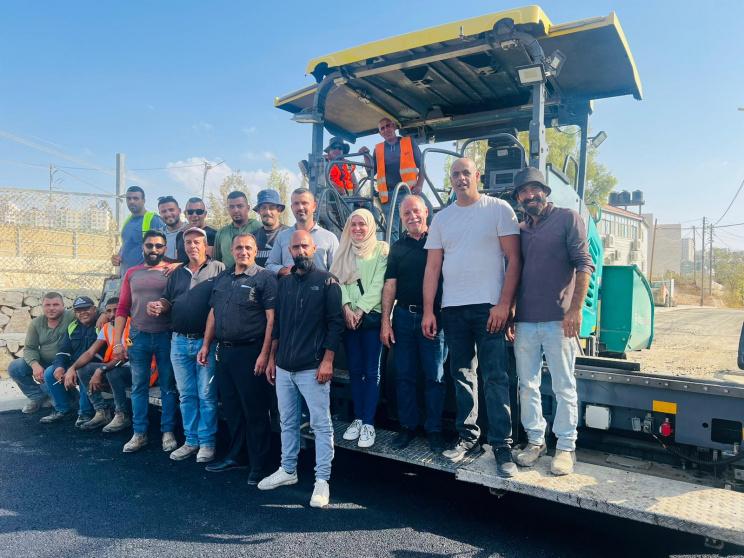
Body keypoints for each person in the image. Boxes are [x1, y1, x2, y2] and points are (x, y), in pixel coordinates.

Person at [422, 158, 521, 478]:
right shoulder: (442, 218)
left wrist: (504, 304)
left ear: (477, 175)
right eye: (455, 174)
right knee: (462, 374)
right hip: (453, 308)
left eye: (466, 173)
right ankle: (468, 438)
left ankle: (502, 445)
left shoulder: (498, 209)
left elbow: (514, 259)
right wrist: (429, 310)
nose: (461, 178)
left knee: (495, 376)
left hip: (489, 308)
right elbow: (432, 268)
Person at [511, 168, 594, 476]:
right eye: (523, 191)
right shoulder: (520, 229)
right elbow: (516, 273)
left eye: (535, 189)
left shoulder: (568, 218)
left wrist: (575, 310)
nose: (530, 195)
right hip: (525, 322)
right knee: (527, 386)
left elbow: (584, 264)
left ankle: (566, 447)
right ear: (518, 198)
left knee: (563, 385)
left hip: (560, 321)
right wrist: (512, 313)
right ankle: (536, 441)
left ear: (545, 192)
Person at [258, 230, 344, 509]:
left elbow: (335, 324)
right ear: (289, 251)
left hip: (312, 367)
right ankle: (288, 470)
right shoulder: (284, 283)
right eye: (295, 247)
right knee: (287, 421)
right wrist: (272, 358)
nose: (300, 251)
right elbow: (278, 325)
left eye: (305, 246)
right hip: (284, 366)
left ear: (314, 248)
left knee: (321, 425)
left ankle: (322, 480)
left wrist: (328, 361)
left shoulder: (328, 281)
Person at [197, 233, 277, 482]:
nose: (243, 251)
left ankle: (259, 464)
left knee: (255, 410)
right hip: (224, 352)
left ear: (256, 251)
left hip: (251, 352)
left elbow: (272, 320)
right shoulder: (223, 277)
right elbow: (213, 313)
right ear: (231, 250)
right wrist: (206, 344)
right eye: (239, 247)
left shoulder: (265, 278)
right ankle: (237, 456)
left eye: (248, 248)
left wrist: (265, 354)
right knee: (232, 408)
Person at [380, 195, 447, 452]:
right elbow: (390, 285)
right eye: (406, 213)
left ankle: (434, 430)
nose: (412, 217)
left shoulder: (440, 242)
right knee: (404, 375)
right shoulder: (397, 248)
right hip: (404, 318)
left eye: (416, 211)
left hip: (435, 319)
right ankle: (407, 426)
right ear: (401, 218)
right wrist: (386, 322)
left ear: (426, 212)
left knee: (435, 377)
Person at [153, 227, 225, 463]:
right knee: (186, 395)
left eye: (197, 242)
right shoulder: (177, 273)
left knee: (206, 395)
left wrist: (208, 342)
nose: (192, 246)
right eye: (188, 242)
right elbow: (167, 299)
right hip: (179, 341)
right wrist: (160, 305)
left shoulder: (218, 269)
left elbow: (218, 306)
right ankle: (191, 441)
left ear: (205, 246)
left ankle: (207, 442)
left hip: (206, 342)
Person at [113, 230, 178, 453]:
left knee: (168, 387)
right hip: (138, 336)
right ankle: (139, 433)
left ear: (165, 248)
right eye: (149, 245)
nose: (154, 250)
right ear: (143, 247)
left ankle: (168, 431)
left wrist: (178, 265)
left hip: (165, 336)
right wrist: (118, 341)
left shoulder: (172, 271)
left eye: (158, 246)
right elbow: (122, 308)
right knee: (139, 386)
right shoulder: (132, 273)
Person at [330, 209, 388, 448]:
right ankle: (357, 417)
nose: (357, 229)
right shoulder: (344, 250)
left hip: (370, 317)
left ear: (370, 226)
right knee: (354, 370)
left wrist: (360, 309)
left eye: (362, 224)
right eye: (353, 224)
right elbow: (338, 281)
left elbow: (378, 284)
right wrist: (345, 307)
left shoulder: (381, 249)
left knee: (372, 371)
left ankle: (368, 422)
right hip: (349, 319)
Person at [73, 297, 134, 432]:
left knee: (113, 372)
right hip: (116, 367)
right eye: (109, 311)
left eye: (116, 310)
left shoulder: (132, 325)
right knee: (83, 369)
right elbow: (90, 353)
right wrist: (72, 368)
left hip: (136, 371)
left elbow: (124, 358)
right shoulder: (107, 327)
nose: (112, 314)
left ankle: (122, 414)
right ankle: (101, 411)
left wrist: (100, 370)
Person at [8, 292, 75, 414]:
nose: (51, 308)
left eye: (56, 304)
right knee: (16, 367)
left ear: (63, 305)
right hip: (44, 362)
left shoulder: (71, 316)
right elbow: (30, 348)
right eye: (47, 305)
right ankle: (37, 397)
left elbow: (92, 311)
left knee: (71, 402)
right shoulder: (36, 323)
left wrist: (102, 315)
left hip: (64, 362)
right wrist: (35, 365)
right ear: (42, 307)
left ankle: (60, 397)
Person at [360, 118, 424, 243]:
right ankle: (395, 252)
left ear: (394, 126)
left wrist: (420, 185)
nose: (386, 130)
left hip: (410, 192)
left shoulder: (409, 142)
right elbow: (371, 172)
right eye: (382, 128)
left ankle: (426, 246)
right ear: (380, 133)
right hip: (389, 195)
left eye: (388, 126)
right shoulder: (378, 149)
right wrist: (366, 156)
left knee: (427, 214)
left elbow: (422, 166)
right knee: (392, 229)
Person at [41, 296, 103, 425]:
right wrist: (59, 366)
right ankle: (63, 409)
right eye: (78, 310)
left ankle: (85, 413)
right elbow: (63, 351)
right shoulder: (73, 326)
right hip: (75, 365)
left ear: (94, 309)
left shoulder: (101, 324)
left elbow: (94, 354)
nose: (82, 313)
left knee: (83, 371)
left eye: (86, 309)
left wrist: (73, 368)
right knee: (50, 372)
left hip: (96, 365)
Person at [265, 188, 339, 276]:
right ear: (292, 208)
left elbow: (338, 270)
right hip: (290, 284)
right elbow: (269, 265)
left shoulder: (329, 238)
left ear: (314, 206)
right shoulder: (282, 237)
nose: (300, 207)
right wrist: (284, 270)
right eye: (296, 204)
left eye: (304, 203)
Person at [111, 186, 164, 277]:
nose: (131, 201)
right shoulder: (128, 220)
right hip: (125, 276)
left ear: (143, 201)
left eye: (136, 198)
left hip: (144, 278)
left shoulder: (154, 220)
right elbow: (126, 244)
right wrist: (117, 258)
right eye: (129, 198)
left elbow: (165, 248)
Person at [213, 191, 262, 268]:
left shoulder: (258, 227)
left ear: (248, 208)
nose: (236, 210)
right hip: (227, 275)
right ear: (228, 209)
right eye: (232, 207)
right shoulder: (221, 233)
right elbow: (216, 262)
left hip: (254, 274)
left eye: (240, 206)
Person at [253, 189, 290, 268]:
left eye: (272, 208)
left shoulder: (289, 234)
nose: (267, 212)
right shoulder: (252, 237)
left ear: (279, 210)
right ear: (259, 211)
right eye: (263, 208)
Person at [176, 197, 217, 261]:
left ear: (205, 214)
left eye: (199, 212)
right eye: (190, 212)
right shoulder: (180, 235)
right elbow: (177, 260)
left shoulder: (214, 235)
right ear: (185, 214)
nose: (194, 215)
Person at [157, 195, 188, 262]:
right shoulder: (158, 235)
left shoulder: (190, 231)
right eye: (164, 211)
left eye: (171, 210)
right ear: (160, 214)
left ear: (179, 211)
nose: (168, 214)